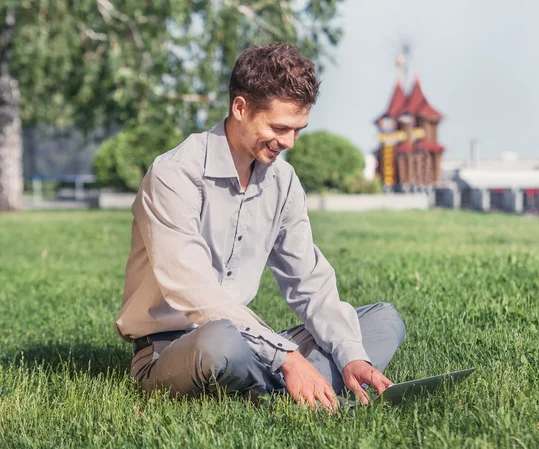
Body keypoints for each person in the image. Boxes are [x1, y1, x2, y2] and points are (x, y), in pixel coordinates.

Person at [114, 42, 405, 411]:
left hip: (250, 340)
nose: (289, 142)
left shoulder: (283, 181)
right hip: (173, 347)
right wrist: (287, 358)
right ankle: (300, 386)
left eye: (298, 129)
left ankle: (298, 386)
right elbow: (195, 292)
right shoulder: (174, 175)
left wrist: (352, 356)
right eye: (280, 127)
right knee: (219, 342)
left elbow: (309, 282)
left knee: (383, 321)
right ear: (240, 108)